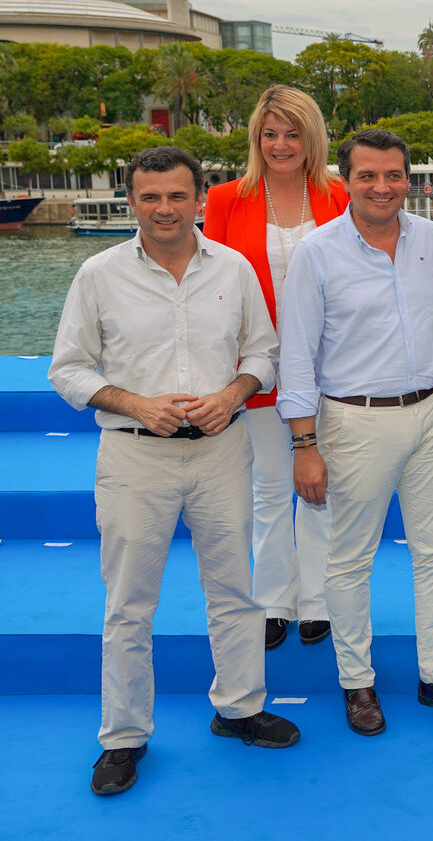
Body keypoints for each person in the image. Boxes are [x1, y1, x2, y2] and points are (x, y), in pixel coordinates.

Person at [50, 146, 299, 797]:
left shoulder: (235, 268)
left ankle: (239, 707)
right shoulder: (98, 275)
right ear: (131, 201)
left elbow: (263, 354)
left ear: (199, 200)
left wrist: (233, 393)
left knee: (235, 591)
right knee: (129, 604)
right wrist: (136, 404)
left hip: (221, 449)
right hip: (133, 455)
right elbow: (68, 370)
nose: (165, 208)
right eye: (150, 196)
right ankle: (123, 737)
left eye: (177, 195)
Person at [277, 128, 433, 737]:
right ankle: (356, 682)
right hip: (354, 420)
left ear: (408, 180)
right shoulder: (316, 253)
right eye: (367, 175)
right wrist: (304, 444)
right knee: (350, 559)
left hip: (431, 413)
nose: (382, 187)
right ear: (346, 181)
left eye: (393, 175)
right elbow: (296, 356)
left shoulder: (430, 238)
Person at [203, 85, 349, 650]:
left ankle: (318, 599)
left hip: (332, 367)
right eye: (270, 134)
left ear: (312, 138)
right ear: (256, 138)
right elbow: (212, 287)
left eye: (293, 133)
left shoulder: (340, 195)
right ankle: (273, 601)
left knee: (322, 485)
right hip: (258, 367)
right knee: (268, 484)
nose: (281, 145)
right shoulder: (225, 199)